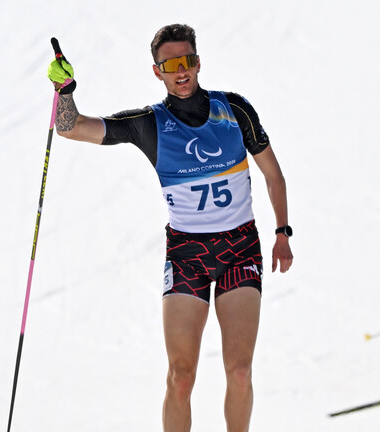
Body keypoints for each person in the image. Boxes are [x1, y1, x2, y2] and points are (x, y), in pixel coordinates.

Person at [47, 24, 293, 432]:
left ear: (199, 63)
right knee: (181, 377)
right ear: (157, 71)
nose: (182, 71)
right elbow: (71, 128)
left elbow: (274, 175)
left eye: (188, 61)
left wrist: (283, 231)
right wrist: (66, 91)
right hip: (187, 256)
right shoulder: (150, 123)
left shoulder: (235, 110)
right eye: (171, 64)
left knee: (240, 371)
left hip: (240, 249)